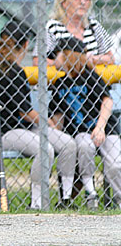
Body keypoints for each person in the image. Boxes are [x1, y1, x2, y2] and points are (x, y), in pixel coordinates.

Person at [0, 21, 77, 210]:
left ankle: (66, 199)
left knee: (68, 144)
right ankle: (36, 202)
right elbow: (25, 112)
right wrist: (49, 123)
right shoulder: (8, 71)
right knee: (46, 149)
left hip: (26, 129)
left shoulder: (10, 69)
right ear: (26, 46)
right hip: (6, 133)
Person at [49, 37, 121, 209]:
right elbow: (57, 118)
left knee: (115, 164)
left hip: (105, 129)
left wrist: (100, 127)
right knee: (83, 147)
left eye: (60, 55)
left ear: (70, 57)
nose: (55, 60)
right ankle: (88, 194)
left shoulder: (90, 77)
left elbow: (107, 101)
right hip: (80, 134)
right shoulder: (60, 83)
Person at [33, 0, 115, 68]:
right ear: (64, 2)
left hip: (92, 80)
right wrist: (65, 64)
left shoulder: (94, 25)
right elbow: (37, 61)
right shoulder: (53, 27)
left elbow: (110, 58)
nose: (83, 2)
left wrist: (92, 59)